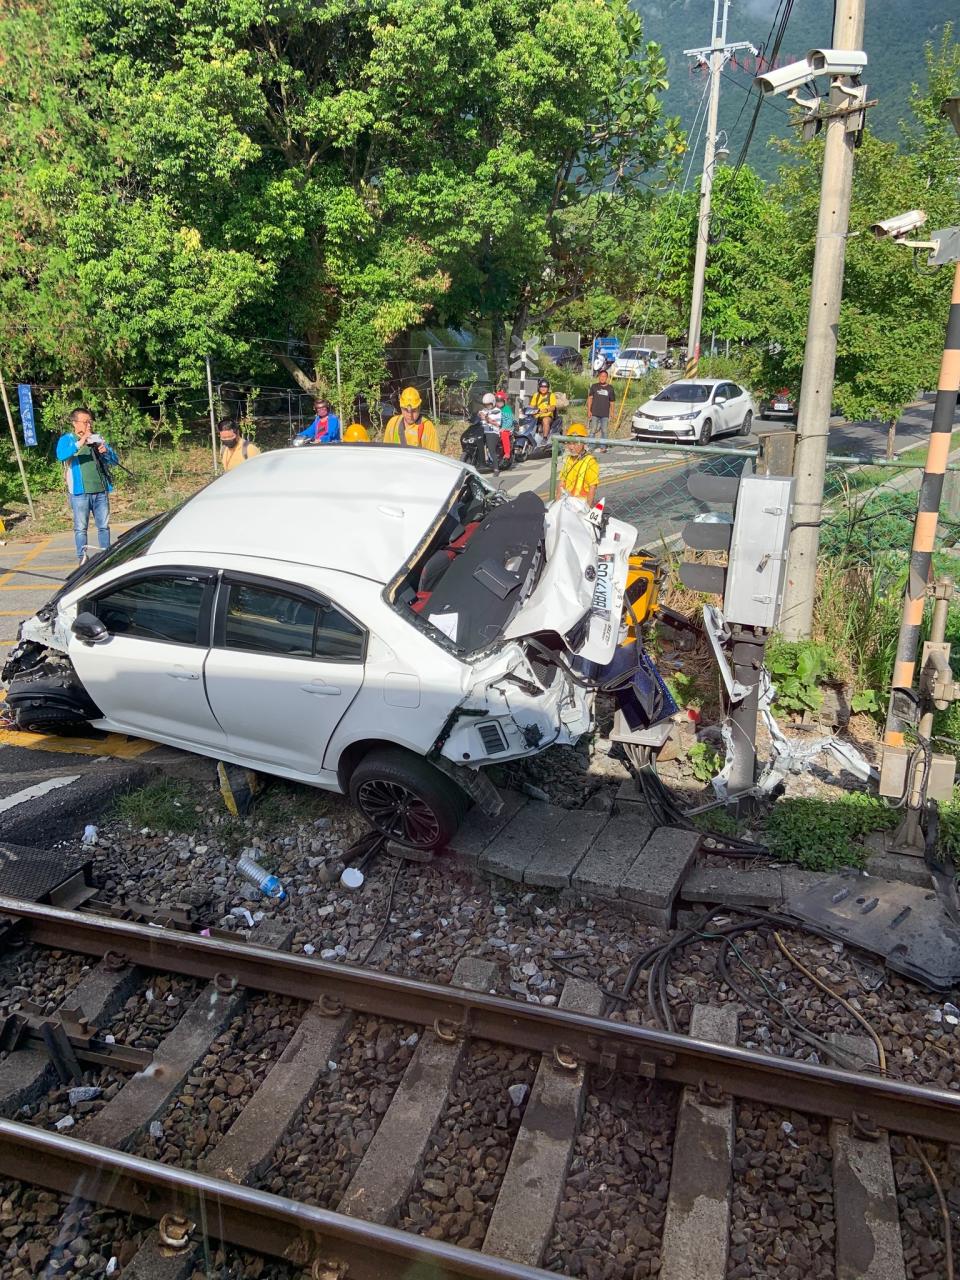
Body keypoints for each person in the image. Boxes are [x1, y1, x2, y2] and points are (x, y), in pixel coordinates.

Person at [56, 407, 119, 562]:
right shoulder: (67, 439)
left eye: (90, 422)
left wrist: (106, 452)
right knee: (80, 528)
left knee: (103, 526)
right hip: (80, 493)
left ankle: (105, 557)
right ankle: (82, 558)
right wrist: (81, 442)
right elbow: (61, 455)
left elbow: (114, 461)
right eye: (85, 422)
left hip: (101, 490)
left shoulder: (97, 438)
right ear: (75, 423)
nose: (89, 426)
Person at [555, 423, 599, 506]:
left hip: (581, 505)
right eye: (569, 443)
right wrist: (556, 505)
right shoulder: (569, 459)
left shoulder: (590, 461)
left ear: (583, 443)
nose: (571, 447)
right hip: (566, 503)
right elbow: (562, 483)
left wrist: (587, 509)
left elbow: (592, 488)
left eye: (575, 444)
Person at [586, 368, 615, 452]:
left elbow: (612, 402)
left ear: (607, 378)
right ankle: (591, 447)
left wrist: (612, 413)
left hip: (605, 414)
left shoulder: (610, 388)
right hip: (595, 412)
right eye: (601, 376)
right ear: (599, 377)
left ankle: (603, 447)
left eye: (604, 376)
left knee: (604, 431)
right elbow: (590, 398)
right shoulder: (594, 386)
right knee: (593, 430)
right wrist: (589, 410)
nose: (602, 378)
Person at [478, 392, 502, 475]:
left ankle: (496, 469)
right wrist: (479, 414)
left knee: (491, 450)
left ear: (493, 403)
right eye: (485, 404)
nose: (487, 406)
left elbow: (497, 424)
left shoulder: (497, 411)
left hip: (493, 432)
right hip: (482, 431)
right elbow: (480, 413)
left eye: (489, 404)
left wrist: (488, 419)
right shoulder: (484, 410)